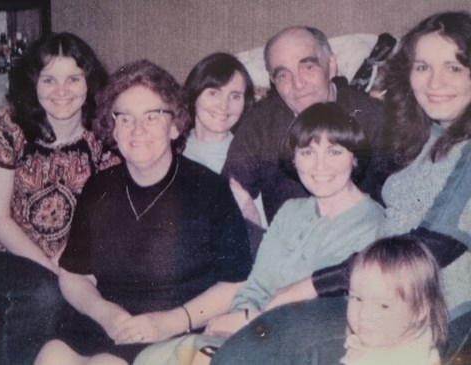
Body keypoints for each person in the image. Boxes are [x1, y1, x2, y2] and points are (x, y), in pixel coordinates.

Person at [211, 11, 471, 365]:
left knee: (248, 350)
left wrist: (310, 284)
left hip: (432, 313)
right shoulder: (430, 135)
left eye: (454, 67)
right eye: (423, 67)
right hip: (371, 296)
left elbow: (429, 246)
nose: (434, 82)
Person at [33, 59, 252, 365]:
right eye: (125, 118)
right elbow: (73, 274)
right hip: (108, 321)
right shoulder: (99, 188)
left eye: (152, 116)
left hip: (174, 328)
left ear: (174, 125)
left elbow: (237, 284)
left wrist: (171, 322)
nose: (137, 129)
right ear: (113, 128)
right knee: (50, 358)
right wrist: (106, 314)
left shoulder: (210, 190)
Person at [133, 102, 384, 365]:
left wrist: (250, 322)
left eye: (334, 151)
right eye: (307, 151)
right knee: (152, 357)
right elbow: (255, 285)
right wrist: (240, 317)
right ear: (294, 158)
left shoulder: (374, 224)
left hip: (302, 349)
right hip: (252, 335)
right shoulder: (291, 211)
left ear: (355, 157)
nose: (319, 166)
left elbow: (338, 315)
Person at [0, 32, 118, 365]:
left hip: (73, 258)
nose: (61, 92)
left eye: (73, 79)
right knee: (44, 295)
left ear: (88, 82)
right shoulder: (11, 125)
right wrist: (52, 268)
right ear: (33, 83)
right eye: (49, 79)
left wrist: (71, 266)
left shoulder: (103, 135)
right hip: (0, 255)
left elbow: (101, 216)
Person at [221, 26, 386, 224]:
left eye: (308, 67)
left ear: (331, 65)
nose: (298, 83)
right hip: (289, 247)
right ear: (273, 82)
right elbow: (230, 193)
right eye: (283, 75)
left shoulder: (375, 116)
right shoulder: (261, 121)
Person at [181, 52, 266, 230]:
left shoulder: (251, 157)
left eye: (235, 96)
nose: (224, 106)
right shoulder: (169, 149)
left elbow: (267, 237)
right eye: (213, 93)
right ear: (194, 94)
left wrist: (251, 215)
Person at [342, 236, 448, 365]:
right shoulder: (395, 334)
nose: (363, 314)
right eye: (357, 299)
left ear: (419, 311)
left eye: (383, 306)